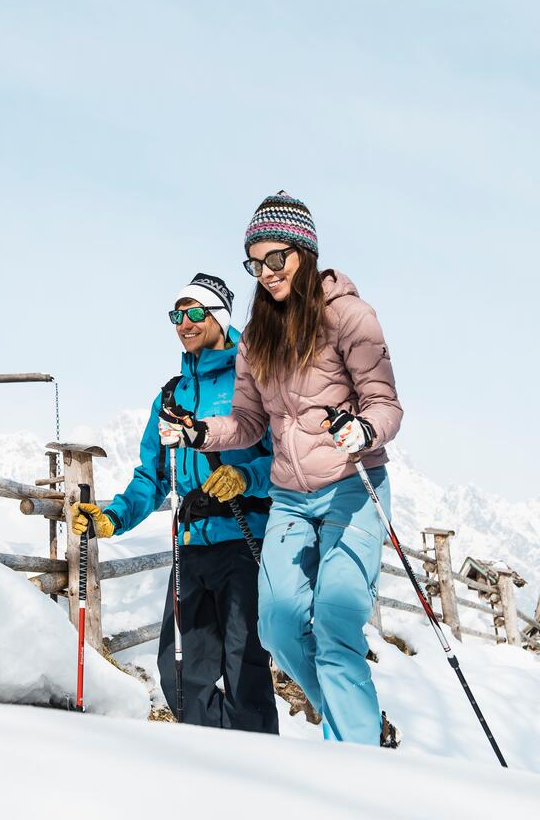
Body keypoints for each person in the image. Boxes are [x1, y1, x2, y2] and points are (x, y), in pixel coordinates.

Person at [160, 193, 403, 746]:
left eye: (277, 258)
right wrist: (199, 432)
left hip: (352, 489)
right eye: (256, 263)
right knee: (277, 626)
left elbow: (385, 403)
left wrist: (364, 429)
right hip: (291, 499)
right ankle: (359, 719)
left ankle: (359, 756)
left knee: (335, 623)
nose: (267, 272)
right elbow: (248, 423)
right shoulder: (257, 336)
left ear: (305, 252)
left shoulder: (350, 317)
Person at [71, 273, 279, 734]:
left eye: (194, 313)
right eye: (177, 315)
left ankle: (258, 764)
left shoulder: (254, 379)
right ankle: (214, 757)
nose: (184, 323)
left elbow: (284, 458)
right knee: (180, 673)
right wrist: (112, 518)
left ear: (219, 316)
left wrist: (245, 477)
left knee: (245, 669)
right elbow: (153, 477)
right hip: (191, 546)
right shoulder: (170, 396)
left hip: (245, 541)